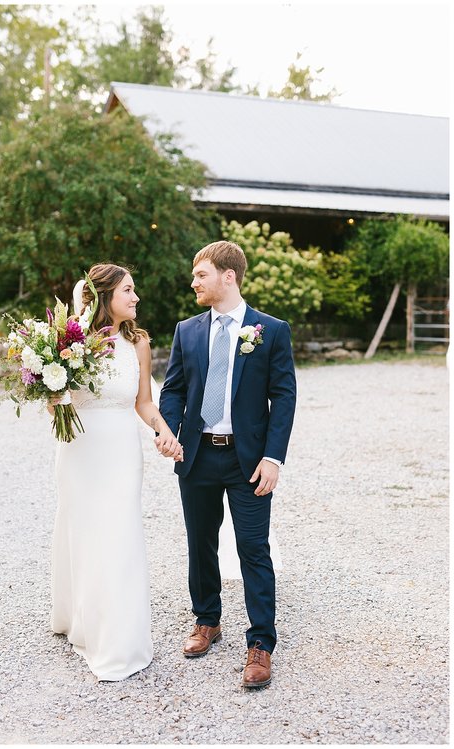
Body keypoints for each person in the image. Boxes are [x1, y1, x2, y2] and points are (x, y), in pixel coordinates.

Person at [159, 240, 296, 690]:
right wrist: (170, 431)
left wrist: (274, 457)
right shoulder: (188, 330)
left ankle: (260, 644)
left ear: (228, 276)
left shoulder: (270, 330)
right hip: (197, 456)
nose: (193, 282)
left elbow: (284, 397)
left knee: (253, 549)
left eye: (201, 275)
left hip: (249, 461)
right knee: (200, 542)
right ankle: (207, 621)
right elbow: (174, 388)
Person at [50, 263, 182, 682]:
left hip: (122, 452)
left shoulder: (139, 344)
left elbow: (144, 402)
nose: (136, 297)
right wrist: (52, 393)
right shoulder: (72, 341)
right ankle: (81, 619)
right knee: (84, 532)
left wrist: (165, 432)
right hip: (79, 449)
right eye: (128, 290)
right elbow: (57, 397)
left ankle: (119, 638)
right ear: (104, 296)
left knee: (120, 535)